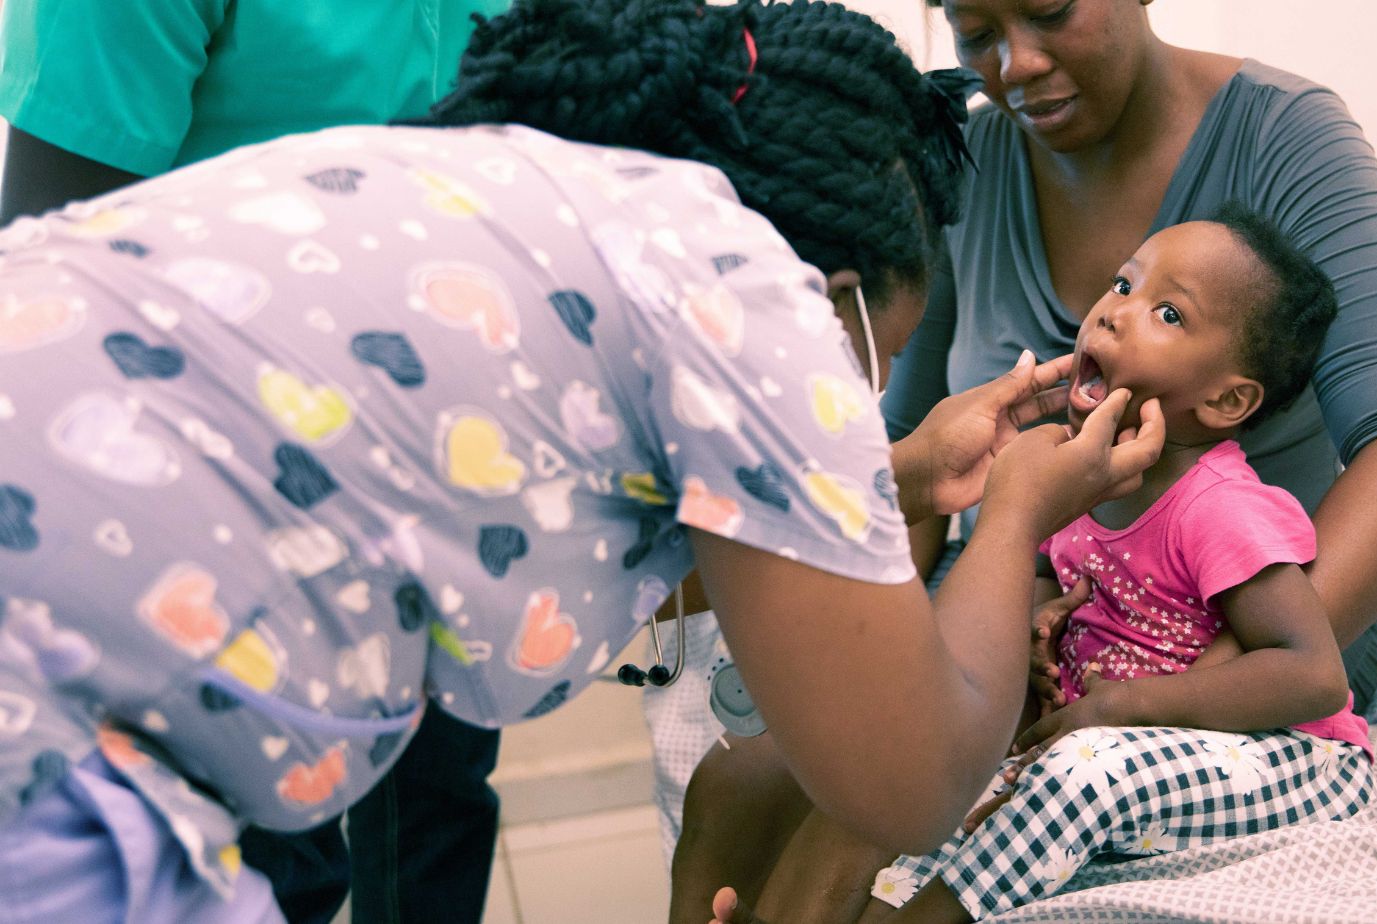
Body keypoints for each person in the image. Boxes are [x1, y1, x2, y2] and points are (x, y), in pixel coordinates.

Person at [0, 1, 1167, 920]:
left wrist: (901, 477)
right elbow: (905, 782)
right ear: (835, 294)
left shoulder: (515, 191)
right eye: (869, 366)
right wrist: (1018, 511)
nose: (846, 408)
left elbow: (566, 560)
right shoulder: (746, 284)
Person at [666, 1, 1377, 919]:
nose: (1013, 64)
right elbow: (926, 447)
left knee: (893, 774)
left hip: (1228, 632)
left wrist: (1179, 684)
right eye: (975, 32)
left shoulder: (1288, 138)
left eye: (1050, 10)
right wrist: (903, 634)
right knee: (739, 787)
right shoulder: (967, 166)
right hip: (1041, 616)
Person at [698, 206, 1375, 923]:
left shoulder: (1220, 507)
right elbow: (1053, 571)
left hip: (1292, 763)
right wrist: (1032, 625)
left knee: (1075, 775)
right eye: (1123, 284)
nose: (1115, 314)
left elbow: (1310, 671)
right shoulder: (1077, 474)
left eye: (1169, 313)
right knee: (935, 788)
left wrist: (1123, 707)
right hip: (1123, 741)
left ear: (1226, 398)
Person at [0, 1, 515, 919]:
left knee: (438, 811)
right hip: (211, 479)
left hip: (454, 449)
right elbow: (45, 277)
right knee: (273, 853)